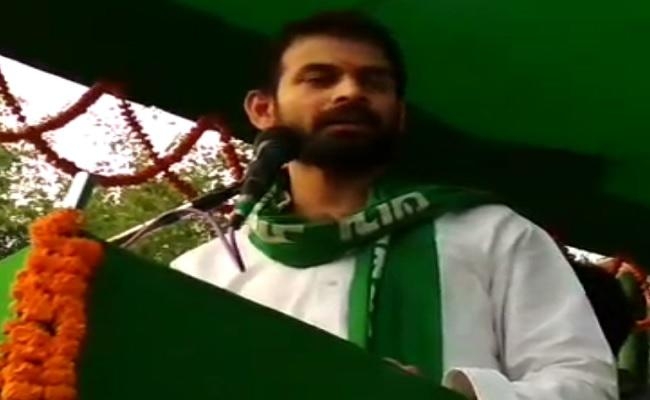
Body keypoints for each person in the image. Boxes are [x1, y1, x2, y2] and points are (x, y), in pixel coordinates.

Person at [171, 11, 617, 400]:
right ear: (262, 109)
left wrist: (451, 398)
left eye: (374, 82)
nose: (351, 92)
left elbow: (586, 385)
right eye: (320, 78)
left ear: (399, 115)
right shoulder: (202, 274)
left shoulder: (491, 234)